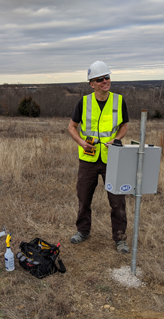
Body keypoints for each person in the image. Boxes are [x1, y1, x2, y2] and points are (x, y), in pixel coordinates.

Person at [67, 61, 130, 253]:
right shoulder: (83, 103)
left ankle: (120, 239)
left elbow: (124, 125)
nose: (105, 81)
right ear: (91, 84)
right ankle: (83, 231)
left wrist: (117, 139)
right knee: (84, 198)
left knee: (117, 201)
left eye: (107, 77)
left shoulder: (119, 101)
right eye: (100, 79)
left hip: (113, 159)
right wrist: (80, 142)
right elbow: (71, 126)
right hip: (88, 160)